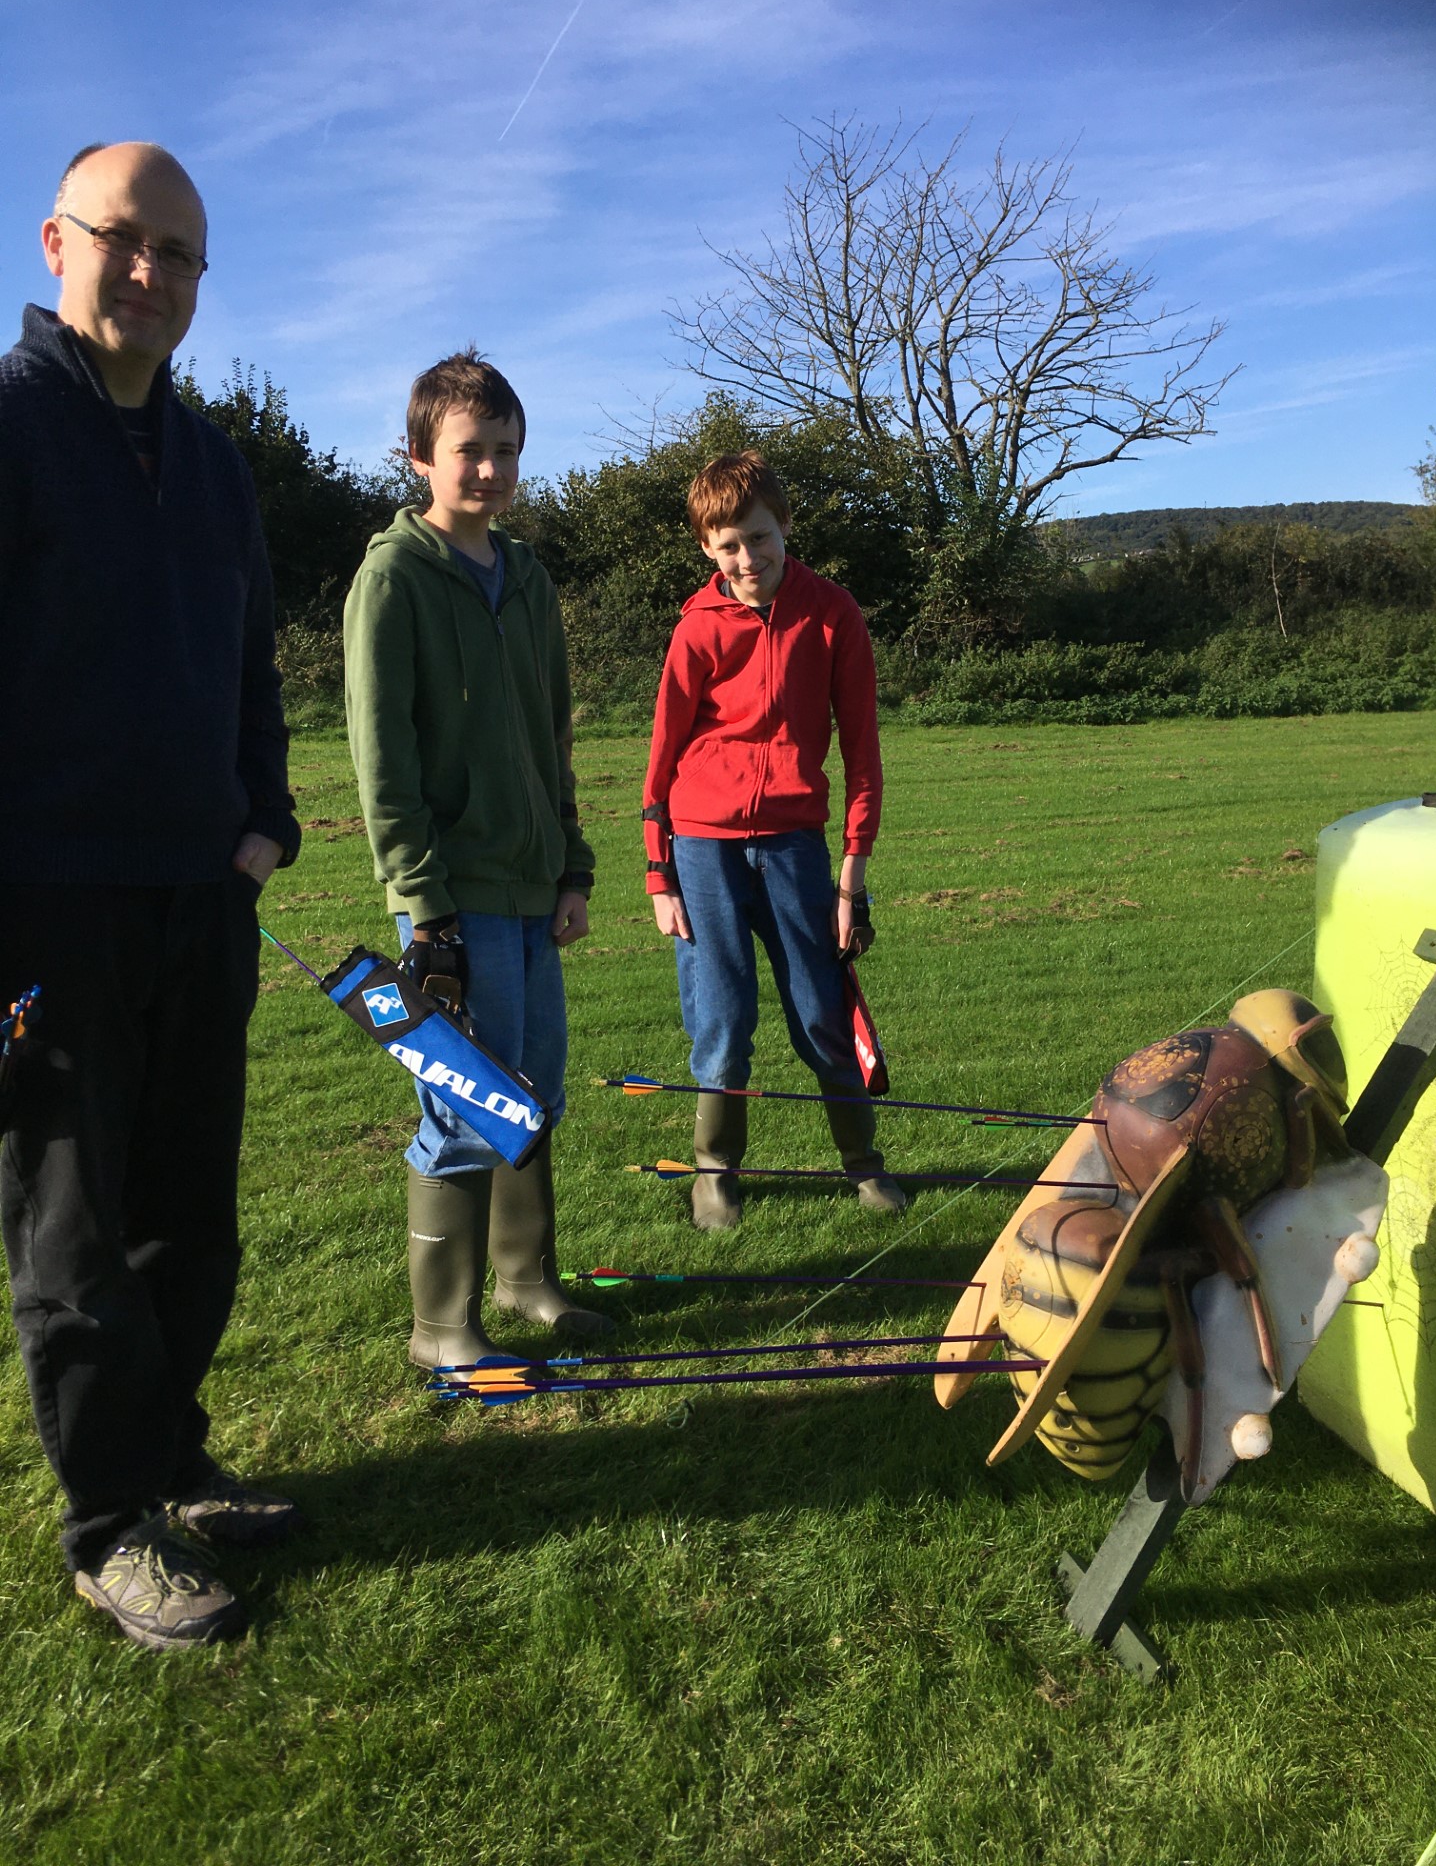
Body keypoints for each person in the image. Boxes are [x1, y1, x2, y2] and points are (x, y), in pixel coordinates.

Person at [0, 143, 302, 1650]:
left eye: (182, 255)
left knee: (194, 1216)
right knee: (74, 1234)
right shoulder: (9, 429)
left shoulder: (216, 461)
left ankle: (170, 1458)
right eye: (128, 242)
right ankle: (110, 1524)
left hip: (203, 898)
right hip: (47, 912)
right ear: (56, 241)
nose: (154, 276)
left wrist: (263, 826)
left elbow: (253, 669)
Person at [344, 350, 613, 1369]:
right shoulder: (393, 578)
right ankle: (441, 1328)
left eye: (506, 451)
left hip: (533, 884)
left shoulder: (530, 577)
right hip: (452, 896)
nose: (490, 470)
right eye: (470, 451)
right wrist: (423, 903)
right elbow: (385, 754)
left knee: (533, 1088)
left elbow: (553, 736)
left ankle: (527, 1281)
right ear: (421, 458)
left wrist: (573, 868)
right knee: (469, 1103)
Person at [642, 450, 906, 1229]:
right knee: (721, 1025)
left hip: (796, 846)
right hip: (701, 848)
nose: (747, 559)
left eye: (759, 538)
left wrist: (851, 884)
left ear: (785, 527)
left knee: (822, 1016)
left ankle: (863, 1164)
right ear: (706, 549)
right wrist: (661, 879)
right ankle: (715, 1173)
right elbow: (659, 760)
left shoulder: (834, 615)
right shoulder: (696, 629)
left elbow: (862, 757)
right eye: (728, 546)